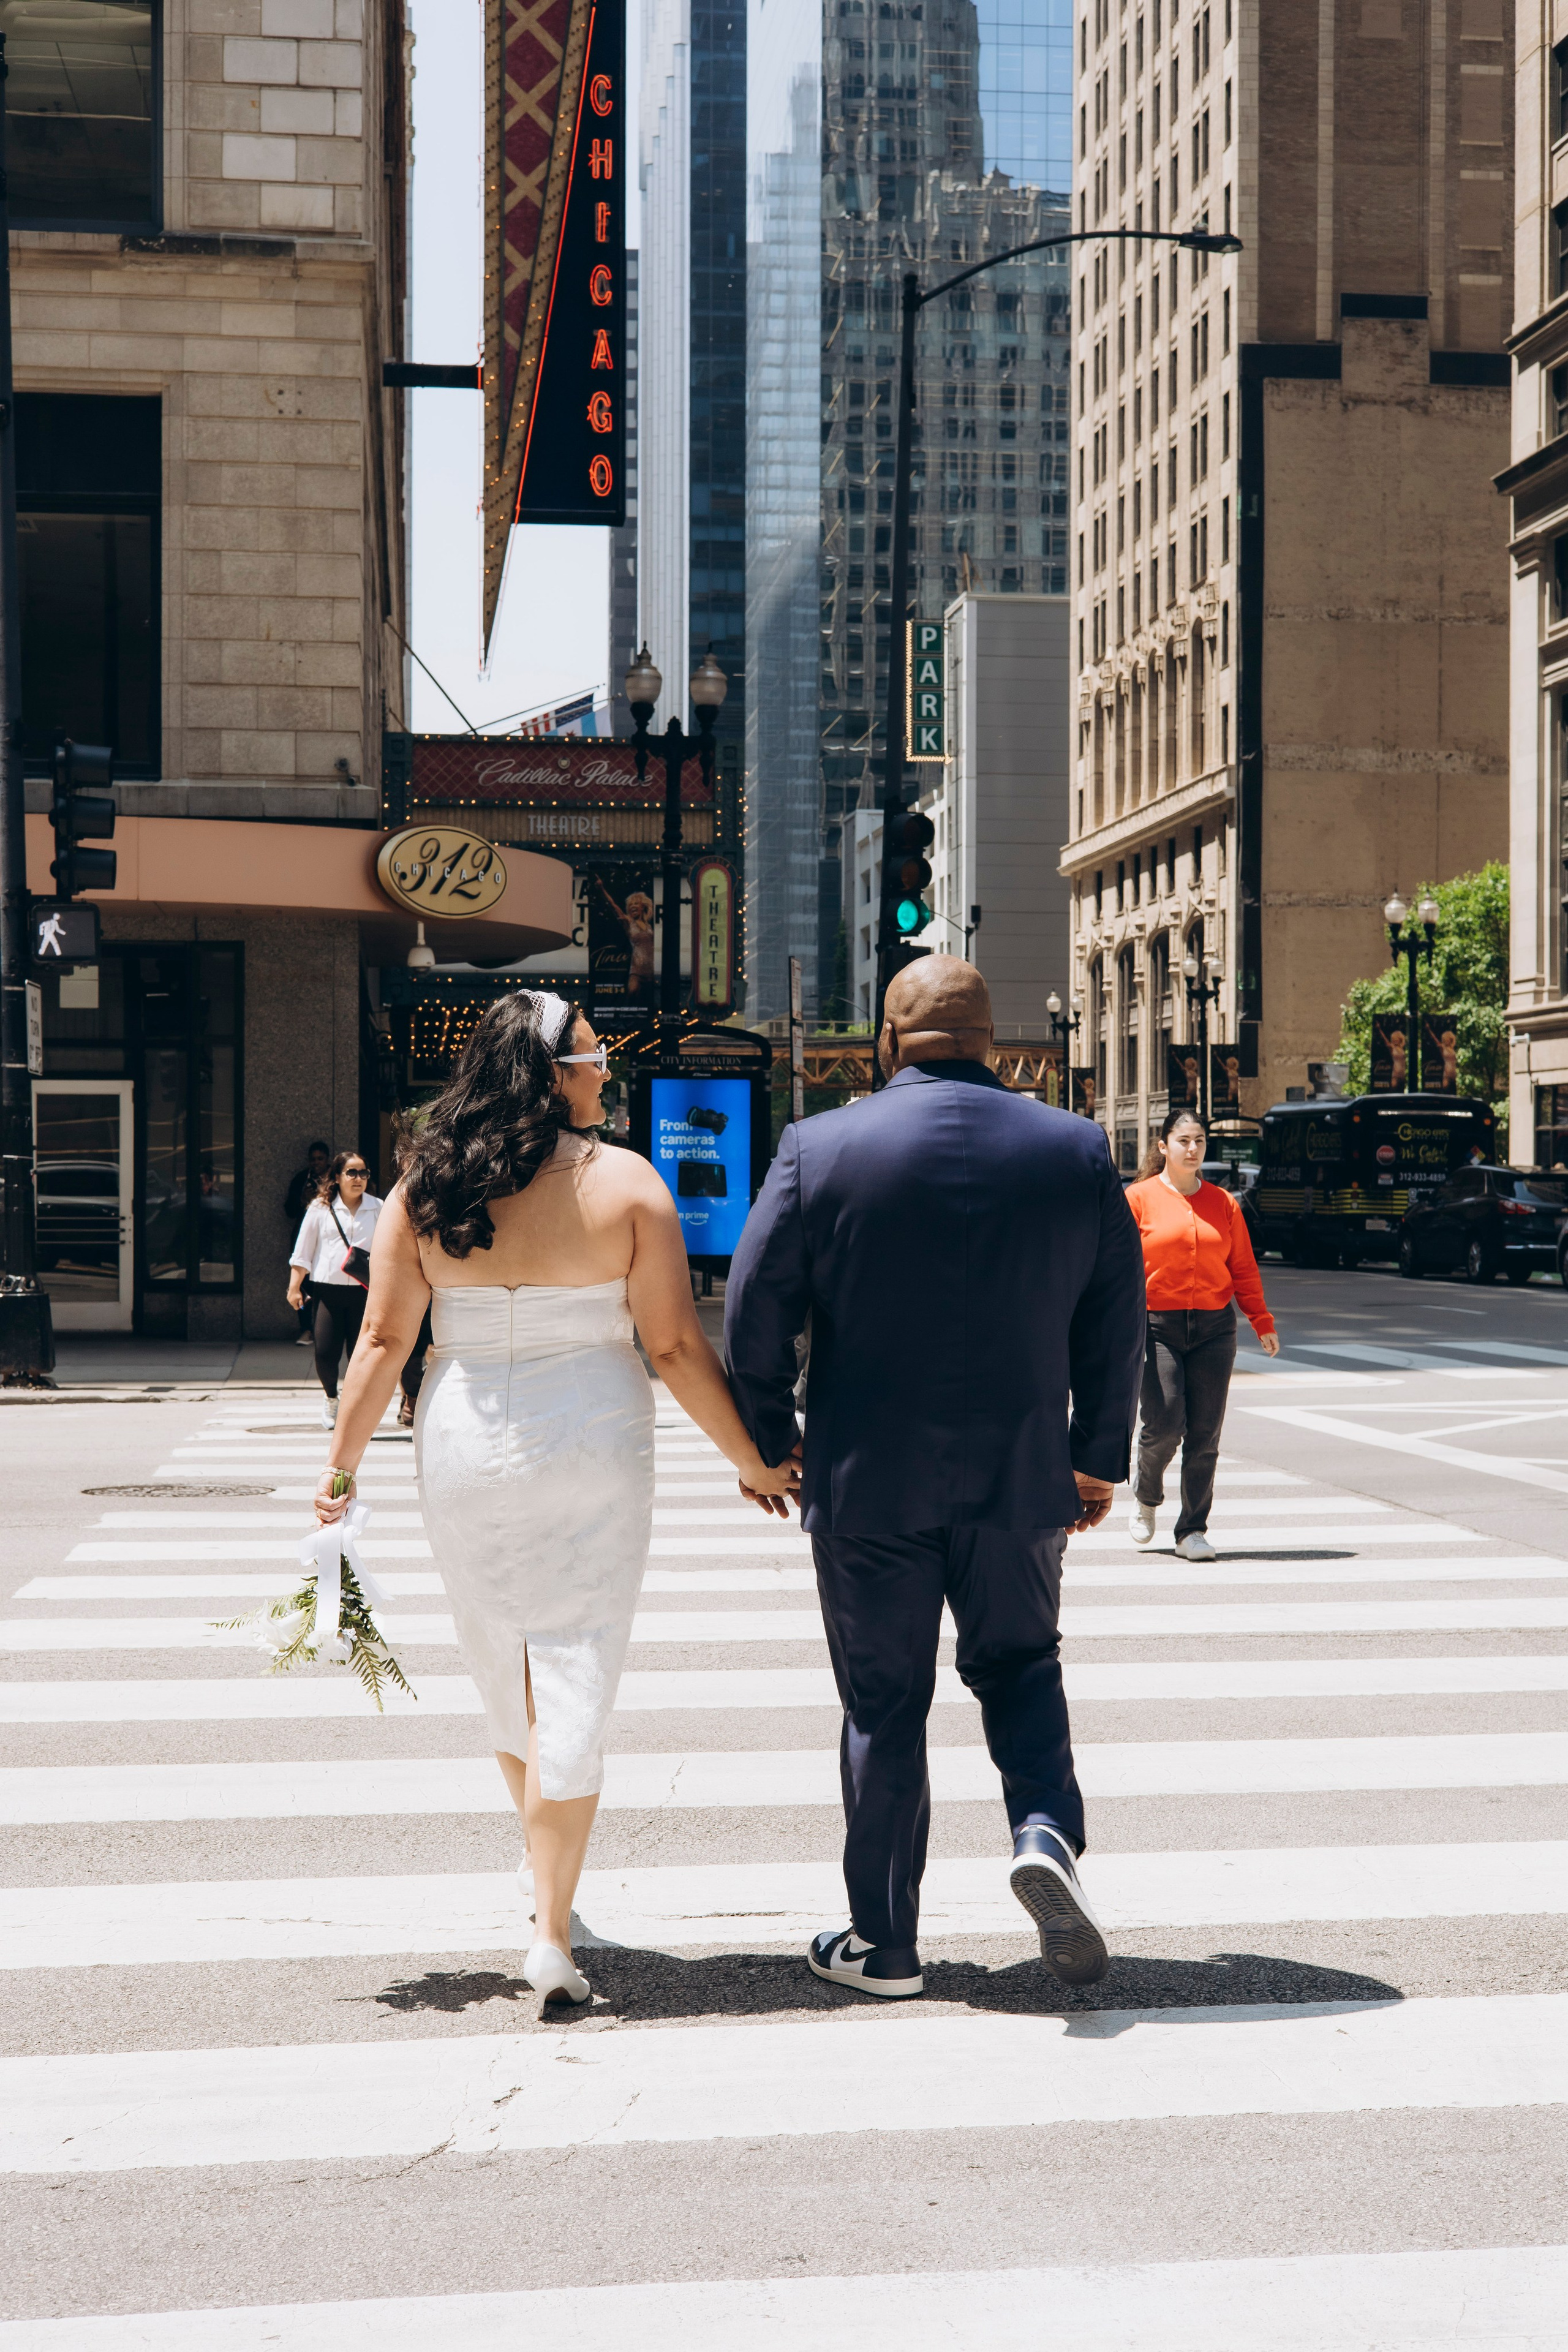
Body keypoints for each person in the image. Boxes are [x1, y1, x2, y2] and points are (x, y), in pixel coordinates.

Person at [312, 990, 800, 2012]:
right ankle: (550, 1928)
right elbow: (672, 1347)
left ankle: (551, 1898)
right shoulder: (626, 1186)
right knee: (576, 1660)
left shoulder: (423, 1187)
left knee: (503, 1660)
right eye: (591, 1056)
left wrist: (341, 1468)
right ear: (547, 1072)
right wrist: (752, 1460)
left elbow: (383, 1343)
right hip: (592, 1436)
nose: (607, 1072)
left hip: (463, 1432)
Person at [725, 956, 1146, 2000]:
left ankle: (885, 1944)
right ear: (992, 1040)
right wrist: (1096, 1458)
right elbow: (1114, 1320)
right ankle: (1044, 1830)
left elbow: (754, 1308)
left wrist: (770, 1439)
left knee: (884, 1703)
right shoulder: (1075, 1149)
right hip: (1020, 1473)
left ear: (887, 1039)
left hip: (868, 1478)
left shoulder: (819, 1149)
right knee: (1020, 1665)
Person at [1125, 1107, 1280, 1563]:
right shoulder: (1138, 1199)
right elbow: (1116, 1269)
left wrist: (1261, 1320)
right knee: (1165, 1424)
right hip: (1158, 1326)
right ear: (1163, 1146)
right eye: (1183, 1141)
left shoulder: (1224, 1203)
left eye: (1199, 1141)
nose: (1192, 1149)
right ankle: (1147, 1494)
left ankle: (1192, 1529)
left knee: (1206, 1434)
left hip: (1214, 1327)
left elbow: (1244, 1269)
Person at [287, 1151, 383, 1429]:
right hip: (328, 1293)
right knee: (325, 1354)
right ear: (337, 1177)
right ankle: (331, 1397)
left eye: (363, 1173)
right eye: (351, 1173)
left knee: (360, 1356)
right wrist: (294, 1287)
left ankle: (356, 1409)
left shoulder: (378, 1208)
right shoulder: (320, 1208)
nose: (358, 1179)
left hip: (365, 1294)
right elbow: (303, 1252)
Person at [284, 1142, 331, 1344]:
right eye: (313, 1159)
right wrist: (303, 1199)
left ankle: (326, 1331)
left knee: (326, 1286)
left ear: (327, 1159)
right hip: (304, 1237)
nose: (316, 1163)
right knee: (303, 1287)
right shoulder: (302, 1180)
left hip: (329, 1239)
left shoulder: (336, 1179)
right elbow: (288, 1210)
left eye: (320, 1159)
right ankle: (306, 1329)